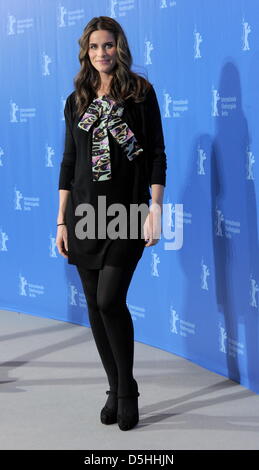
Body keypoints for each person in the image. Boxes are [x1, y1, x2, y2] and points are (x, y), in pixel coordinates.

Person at [56, 16, 167, 431]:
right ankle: (114, 386)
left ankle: (128, 391)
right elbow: (69, 162)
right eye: (94, 47)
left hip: (125, 212)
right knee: (93, 307)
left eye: (109, 45)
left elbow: (156, 151)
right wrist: (60, 221)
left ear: (120, 47)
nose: (102, 53)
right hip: (82, 214)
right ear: (85, 51)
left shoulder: (139, 93)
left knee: (109, 301)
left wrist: (155, 208)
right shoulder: (77, 99)